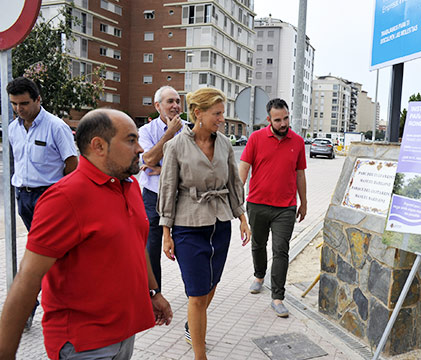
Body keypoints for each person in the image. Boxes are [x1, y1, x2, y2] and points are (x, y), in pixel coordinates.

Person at [0, 109, 173, 360]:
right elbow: (27, 280)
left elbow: (136, 245)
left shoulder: (130, 186)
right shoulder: (64, 198)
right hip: (83, 344)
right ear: (98, 146)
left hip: (125, 333)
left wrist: (153, 292)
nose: (140, 148)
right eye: (131, 140)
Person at [158, 88, 250, 360]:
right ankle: (200, 355)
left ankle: (193, 324)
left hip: (220, 224)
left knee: (211, 285)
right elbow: (167, 190)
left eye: (222, 113)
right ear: (198, 112)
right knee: (197, 294)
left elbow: (234, 181)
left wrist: (242, 217)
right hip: (188, 226)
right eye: (217, 113)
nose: (222, 119)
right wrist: (166, 232)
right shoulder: (175, 146)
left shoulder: (223, 143)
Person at [6, 76, 79, 329]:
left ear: (38, 99)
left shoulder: (55, 126)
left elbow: (72, 163)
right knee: (40, 254)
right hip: (23, 195)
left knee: (43, 256)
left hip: (49, 196)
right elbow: (16, 160)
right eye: (14, 104)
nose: (19, 109)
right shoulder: (13, 127)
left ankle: (37, 308)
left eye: (24, 103)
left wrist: (62, 198)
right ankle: (39, 306)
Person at [238, 98, 307, 318]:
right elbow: (244, 168)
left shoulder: (297, 142)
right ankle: (259, 276)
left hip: (285, 208)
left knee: (281, 251)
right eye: (278, 120)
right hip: (257, 204)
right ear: (269, 119)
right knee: (258, 245)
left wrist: (303, 202)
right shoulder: (256, 138)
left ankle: (278, 297)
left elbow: (300, 174)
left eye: (286, 118)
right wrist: (238, 198)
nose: (283, 123)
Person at [139, 86, 188, 290]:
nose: (176, 106)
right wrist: (169, 134)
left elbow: (193, 165)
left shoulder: (190, 130)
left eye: (178, 101)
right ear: (158, 106)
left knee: (186, 250)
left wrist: (163, 168)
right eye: (170, 101)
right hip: (153, 198)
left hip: (182, 199)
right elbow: (148, 158)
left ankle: (194, 301)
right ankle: (154, 294)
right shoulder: (145, 131)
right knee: (151, 250)